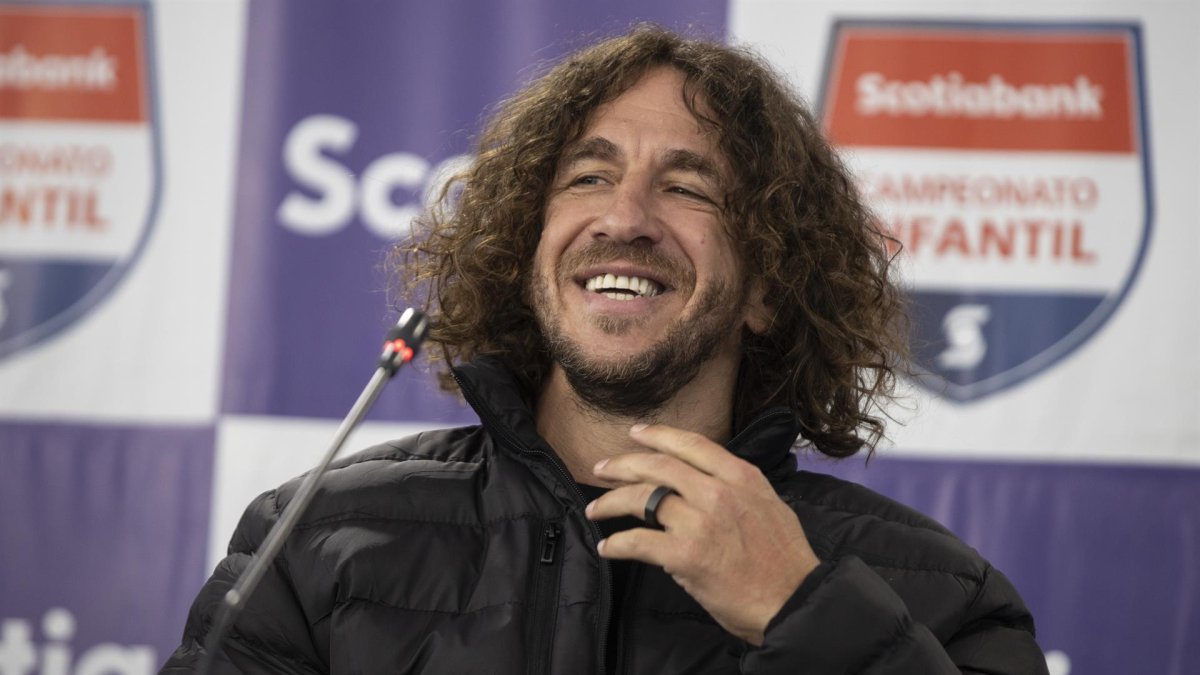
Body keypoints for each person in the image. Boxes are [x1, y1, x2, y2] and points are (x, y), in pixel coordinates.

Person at [163, 27, 1048, 674]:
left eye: (687, 187)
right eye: (588, 177)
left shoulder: (934, 592)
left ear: (769, 288)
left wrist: (808, 612)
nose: (624, 219)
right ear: (524, 248)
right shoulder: (316, 539)